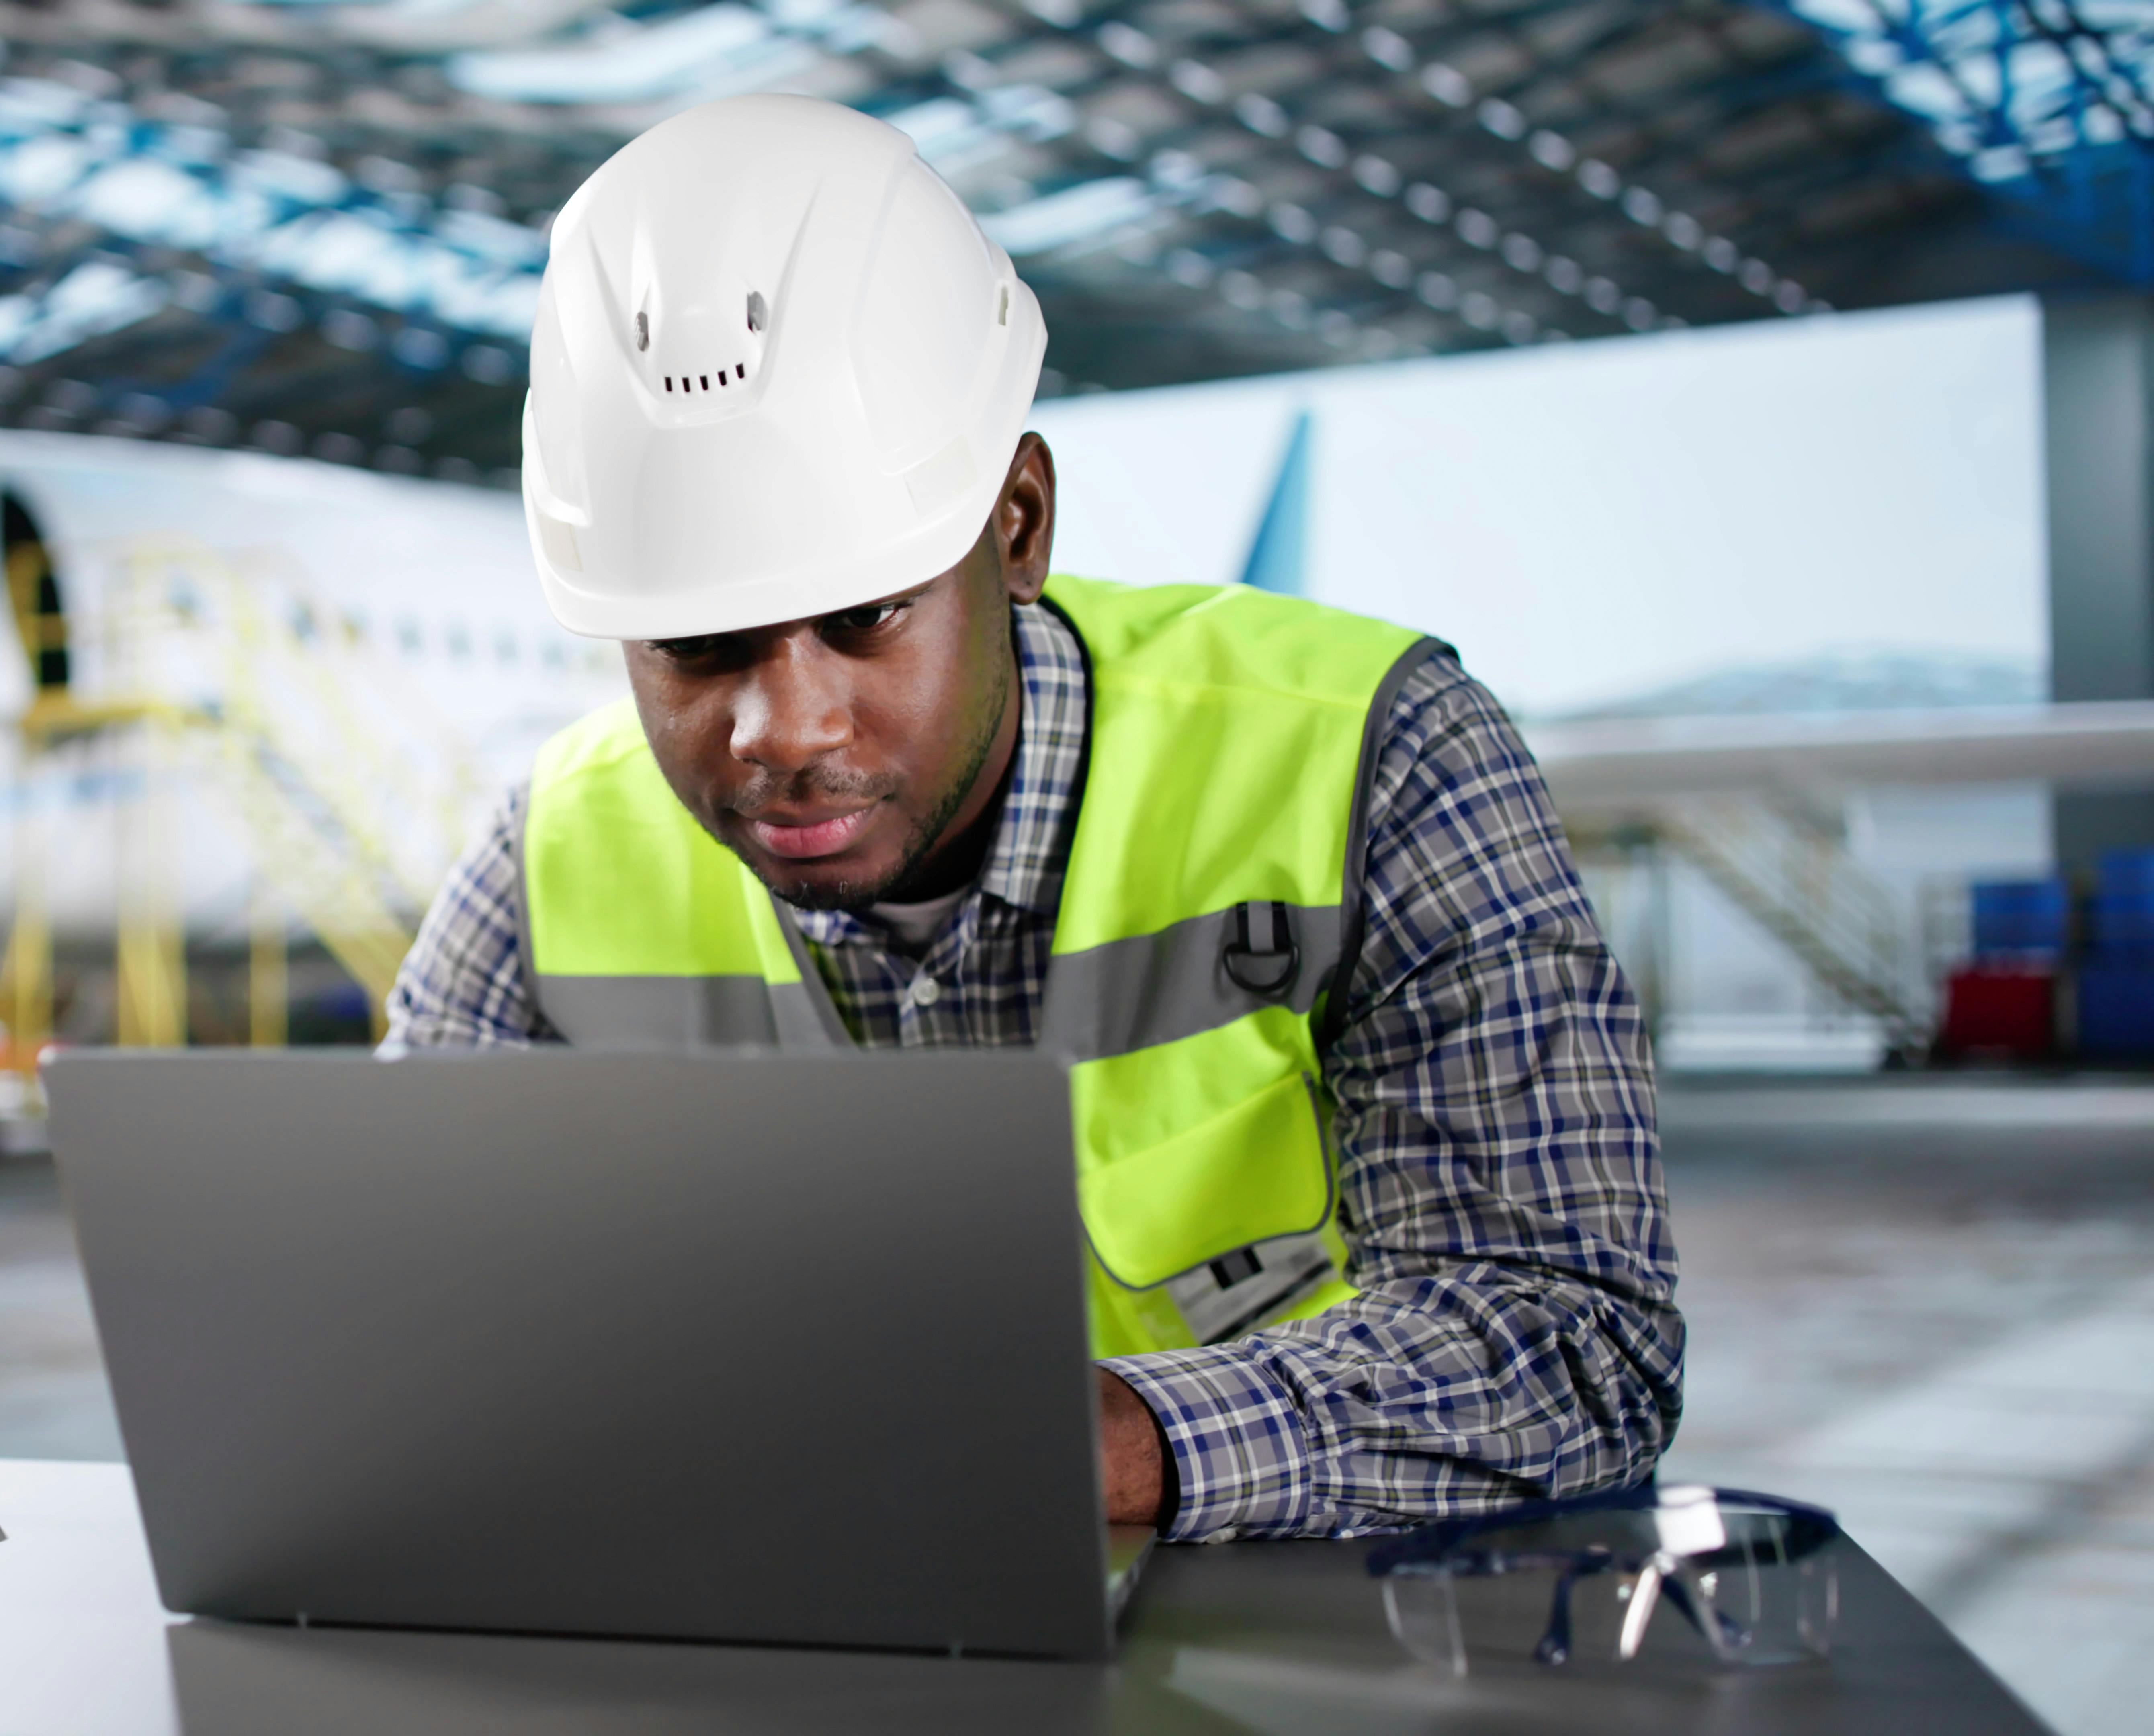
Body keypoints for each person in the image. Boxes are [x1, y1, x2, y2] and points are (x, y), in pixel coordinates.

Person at [384, 94, 1679, 1542]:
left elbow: (1576, 1343)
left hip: (1295, 1636)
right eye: (696, 650)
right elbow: (399, 1327)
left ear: (1017, 527)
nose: (783, 730)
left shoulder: (1375, 762)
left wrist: (1093, 1449)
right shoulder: (552, 856)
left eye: (865, 617)